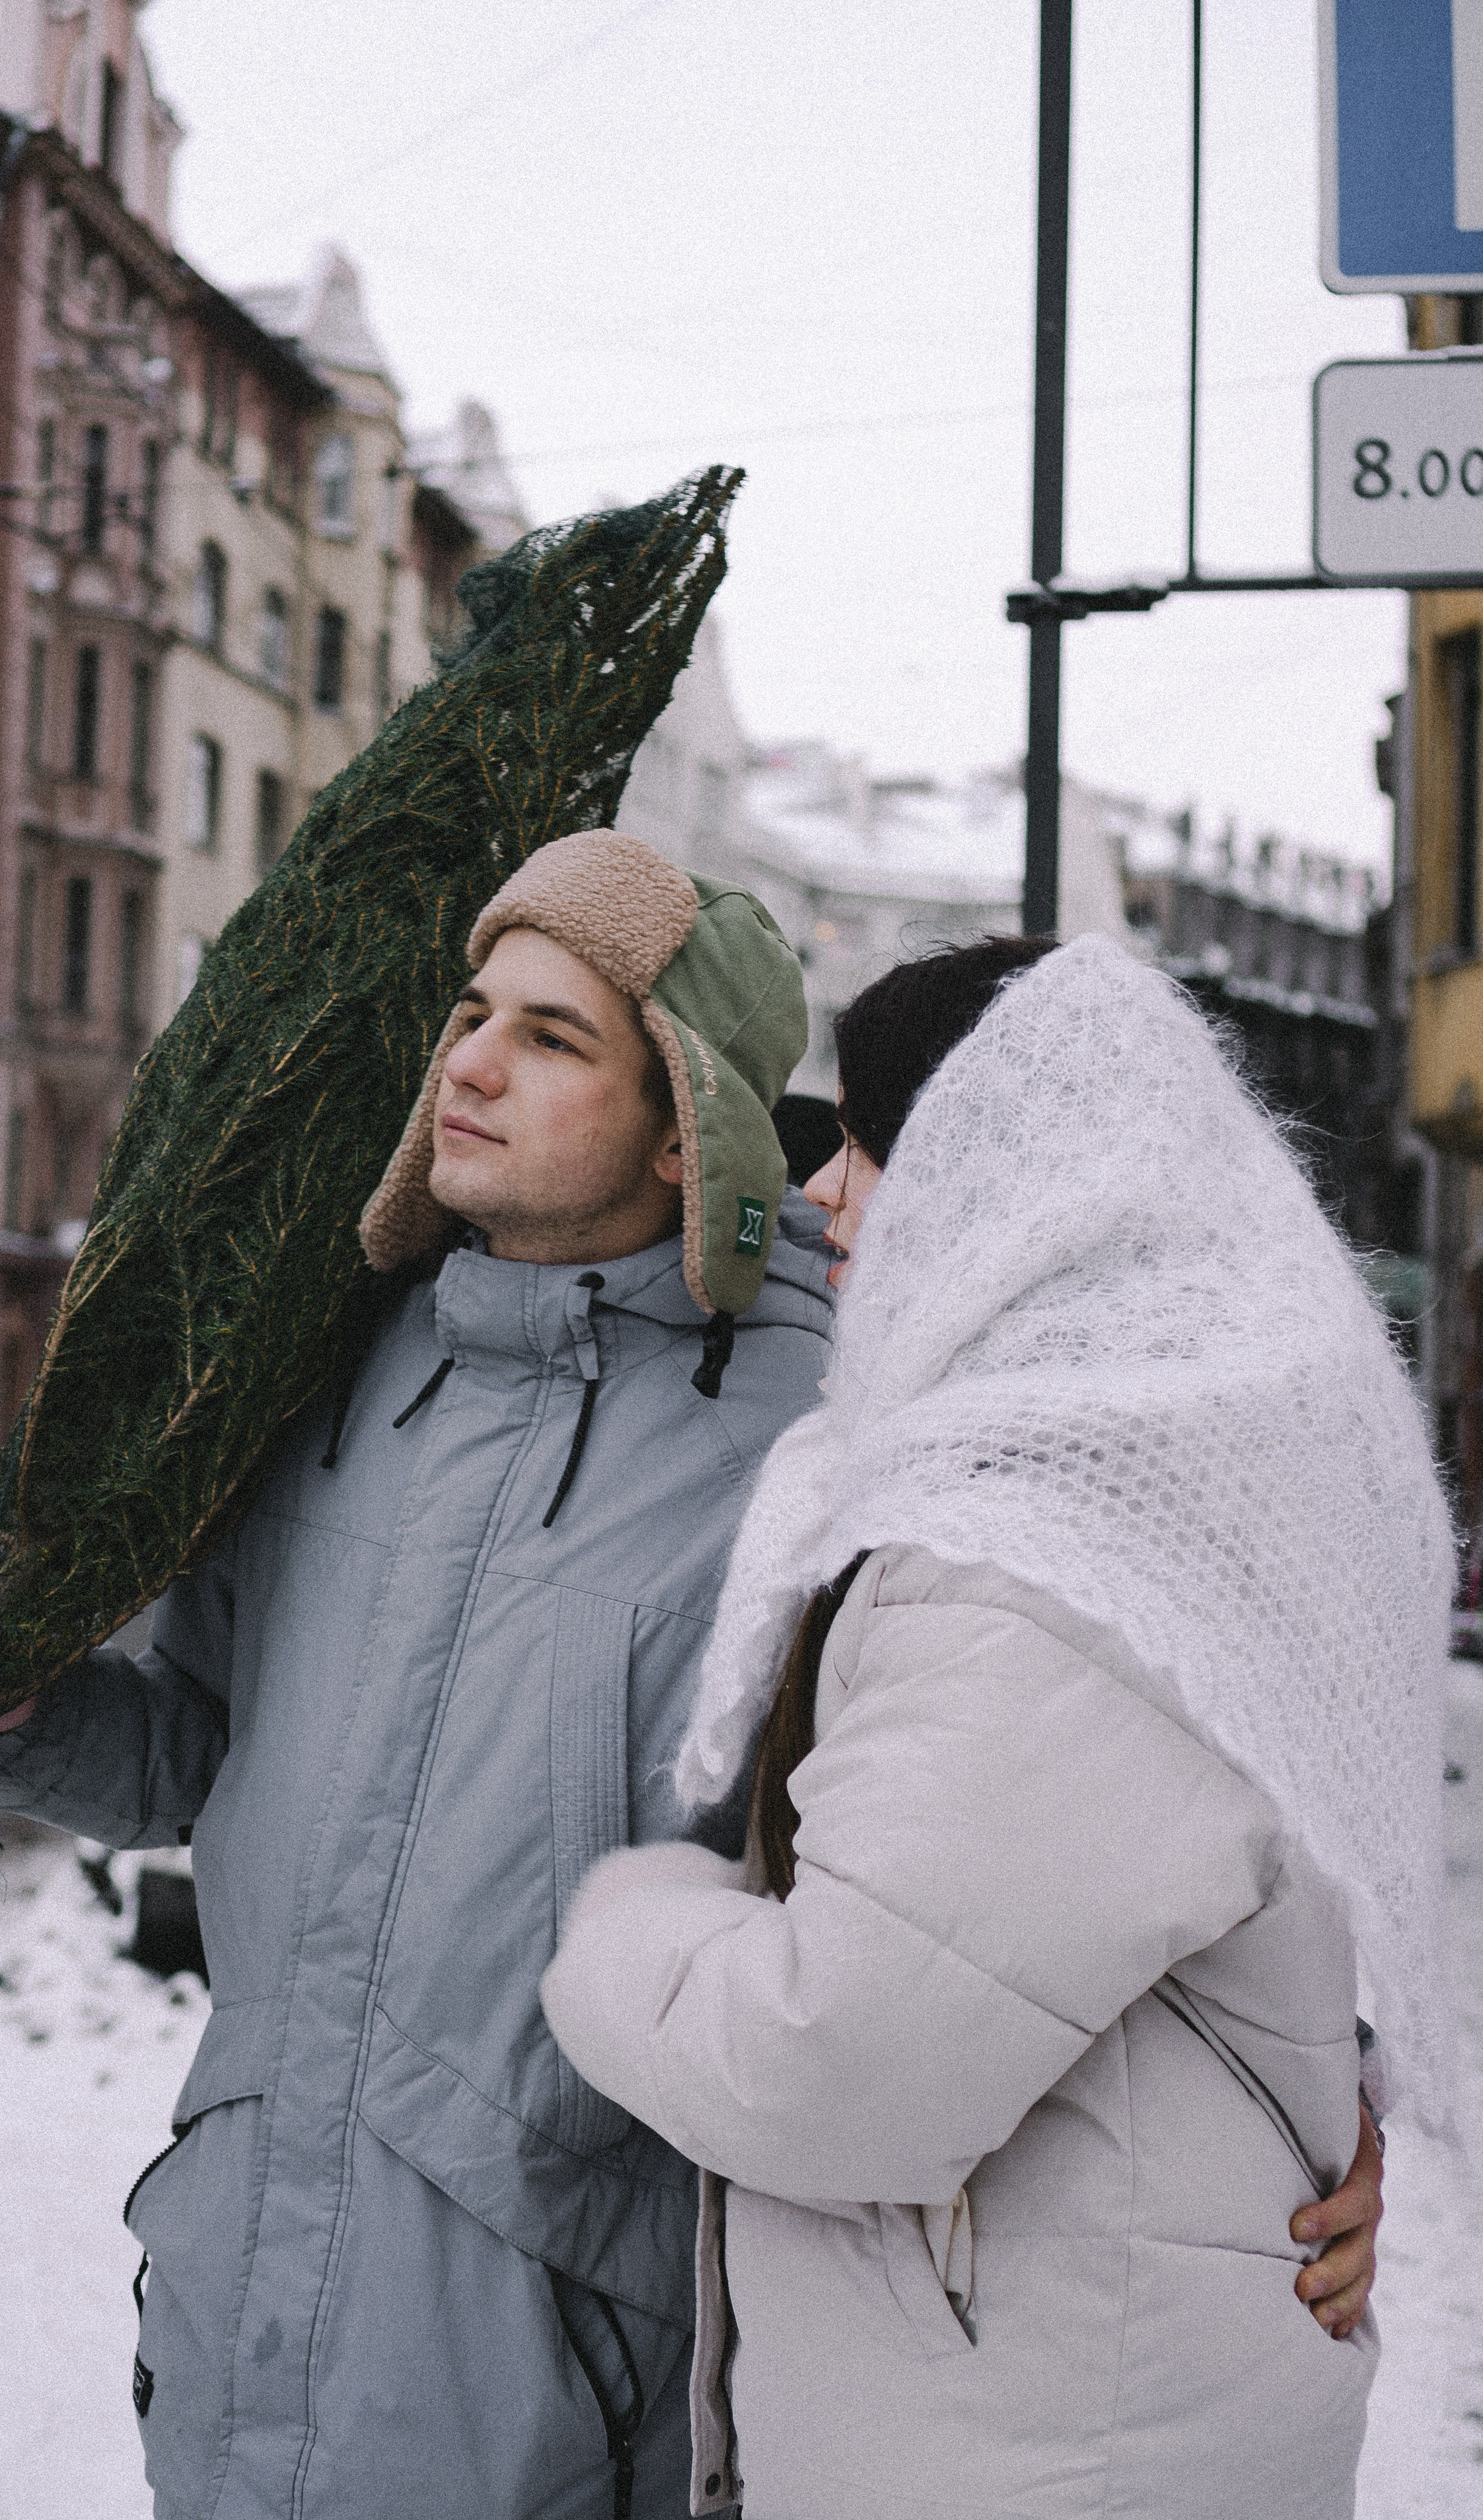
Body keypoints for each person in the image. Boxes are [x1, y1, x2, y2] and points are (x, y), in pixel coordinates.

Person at [0, 897, 1384, 2520]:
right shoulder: (319, 1383)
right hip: (236, 2328)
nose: (468, 1064)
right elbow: (196, 1749)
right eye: (472, 1015)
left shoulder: (835, 1439)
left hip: (573, 2394)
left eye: (550, 1036)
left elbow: (1065, 1824)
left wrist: (1314, 2110)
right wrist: (23, 1711)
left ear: (690, 1127)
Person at [544, 933, 1439, 2520]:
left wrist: (624, 1924)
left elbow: (837, 2068)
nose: (828, 1195)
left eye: (878, 1143)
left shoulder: (1049, 1559)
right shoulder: (1190, 1482)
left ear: (1013, 1186)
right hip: (1080, 2397)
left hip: (1025, 2440)